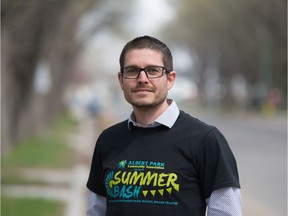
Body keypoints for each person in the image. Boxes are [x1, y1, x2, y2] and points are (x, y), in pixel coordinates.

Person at [86, 36, 242, 216]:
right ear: (121, 80)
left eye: (153, 70)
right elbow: (95, 211)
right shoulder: (108, 140)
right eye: (132, 70)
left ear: (170, 79)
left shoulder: (206, 140)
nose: (142, 78)